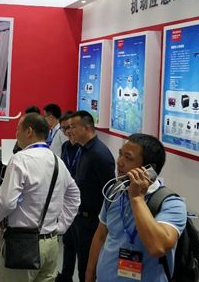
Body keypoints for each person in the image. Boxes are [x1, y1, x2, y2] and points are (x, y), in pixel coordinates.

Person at [85, 134, 187, 282]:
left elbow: (158, 247)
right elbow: (101, 235)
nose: (119, 162)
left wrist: (137, 198)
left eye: (128, 158)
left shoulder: (171, 203)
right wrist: (89, 275)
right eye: (120, 154)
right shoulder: (115, 192)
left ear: (148, 169)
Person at [0, 112, 81, 282]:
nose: (15, 133)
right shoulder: (57, 161)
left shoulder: (20, 159)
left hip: (22, 243)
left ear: (29, 131)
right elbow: (74, 195)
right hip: (51, 244)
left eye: (18, 129)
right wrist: (61, 226)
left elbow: (6, 202)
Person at [65, 111, 115, 282]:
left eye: (73, 127)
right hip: (79, 218)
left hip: (92, 222)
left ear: (87, 128)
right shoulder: (83, 150)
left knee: (87, 268)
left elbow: (109, 193)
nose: (69, 131)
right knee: (81, 262)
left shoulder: (99, 154)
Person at [55, 111, 80, 282]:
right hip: (66, 200)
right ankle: (66, 276)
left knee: (81, 248)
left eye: (70, 127)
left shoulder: (86, 149)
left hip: (83, 207)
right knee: (68, 242)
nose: (67, 132)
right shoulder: (65, 147)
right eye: (64, 129)